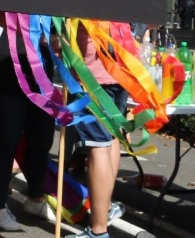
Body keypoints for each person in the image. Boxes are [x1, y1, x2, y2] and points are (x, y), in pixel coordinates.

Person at [0, 12, 57, 231]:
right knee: (6, 142)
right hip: (1, 77)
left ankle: (35, 198)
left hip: (40, 76)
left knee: (42, 141)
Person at [61, 24, 127, 238]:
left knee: (97, 146)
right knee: (110, 139)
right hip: (122, 69)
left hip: (91, 76)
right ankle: (104, 209)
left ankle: (98, 230)